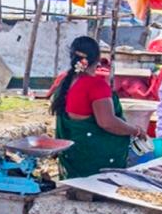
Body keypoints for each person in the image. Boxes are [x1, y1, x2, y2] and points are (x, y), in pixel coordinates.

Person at [51, 36, 146, 177]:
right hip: (94, 159)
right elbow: (107, 123)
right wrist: (135, 131)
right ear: (98, 58)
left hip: (73, 158)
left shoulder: (65, 81)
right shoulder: (95, 85)